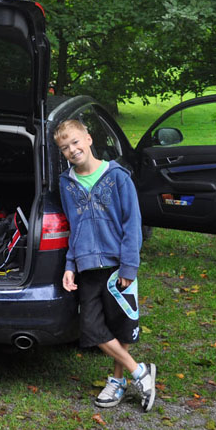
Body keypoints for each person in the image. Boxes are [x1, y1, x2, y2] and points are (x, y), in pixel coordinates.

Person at [54, 118, 158, 411]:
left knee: (120, 325)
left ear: (88, 139)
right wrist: (70, 265)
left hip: (116, 267)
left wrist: (129, 266)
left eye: (75, 142)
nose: (72, 150)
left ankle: (118, 381)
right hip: (87, 268)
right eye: (65, 147)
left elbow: (132, 223)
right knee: (90, 327)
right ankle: (140, 372)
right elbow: (74, 226)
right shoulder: (66, 183)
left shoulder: (118, 177)